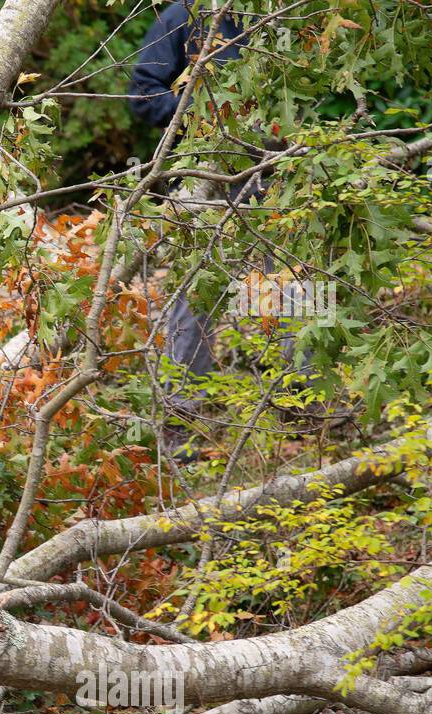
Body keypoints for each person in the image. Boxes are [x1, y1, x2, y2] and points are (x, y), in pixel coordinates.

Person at [128, 1, 248, 461]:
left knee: (296, 285)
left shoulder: (278, 16)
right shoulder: (183, 16)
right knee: (194, 297)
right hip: (203, 171)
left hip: (270, 171)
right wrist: (197, 115)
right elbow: (143, 91)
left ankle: (306, 408)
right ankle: (183, 426)